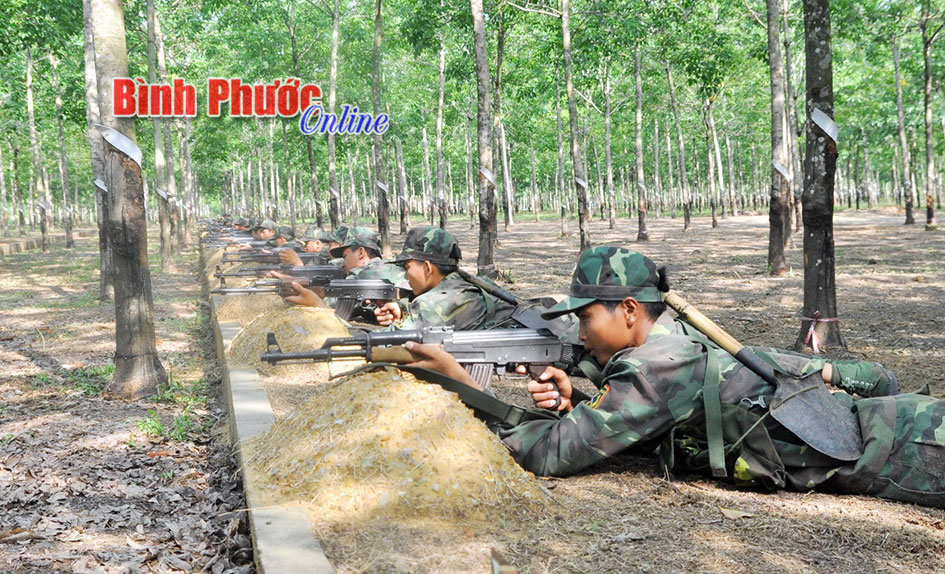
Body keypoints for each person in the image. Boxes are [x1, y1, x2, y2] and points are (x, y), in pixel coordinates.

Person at [403, 246, 945, 509]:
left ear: (631, 310)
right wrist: (581, 402)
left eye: (587, 315)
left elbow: (547, 456)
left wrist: (464, 385)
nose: (579, 328)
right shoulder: (671, 347)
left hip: (904, 446)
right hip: (887, 433)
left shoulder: (655, 368)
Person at [373, 226, 516, 330]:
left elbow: (389, 342)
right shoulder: (461, 284)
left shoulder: (437, 303)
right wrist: (403, 313)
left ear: (428, 268)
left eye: (407, 267)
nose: (405, 275)